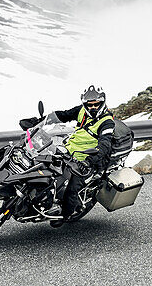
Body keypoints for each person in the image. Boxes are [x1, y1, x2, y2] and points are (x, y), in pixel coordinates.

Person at [19, 85, 117, 221]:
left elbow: (105, 144)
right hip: (69, 150)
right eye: (90, 105)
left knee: (71, 190)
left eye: (96, 104)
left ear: (102, 103)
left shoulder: (107, 123)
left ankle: (65, 215)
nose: (93, 108)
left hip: (88, 159)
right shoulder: (82, 111)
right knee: (42, 165)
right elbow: (62, 115)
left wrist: (88, 161)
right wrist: (38, 121)